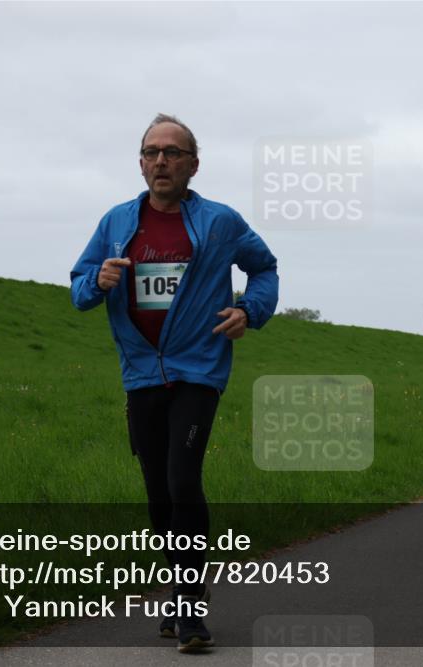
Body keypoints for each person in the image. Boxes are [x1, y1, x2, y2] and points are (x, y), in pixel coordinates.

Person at [70, 114, 279, 652]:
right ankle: (178, 591)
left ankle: (190, 612)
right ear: (141, 163)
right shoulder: (116, 222)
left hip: (198, 369)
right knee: (159, 495)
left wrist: (249, 311)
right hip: (141, 372)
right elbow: (78, 287)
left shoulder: (219, 222)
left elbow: (265, 268)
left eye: (172, 152)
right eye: (151, 152)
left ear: (193, 163)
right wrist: (97, 279)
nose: (160, 160)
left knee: (183, 480)